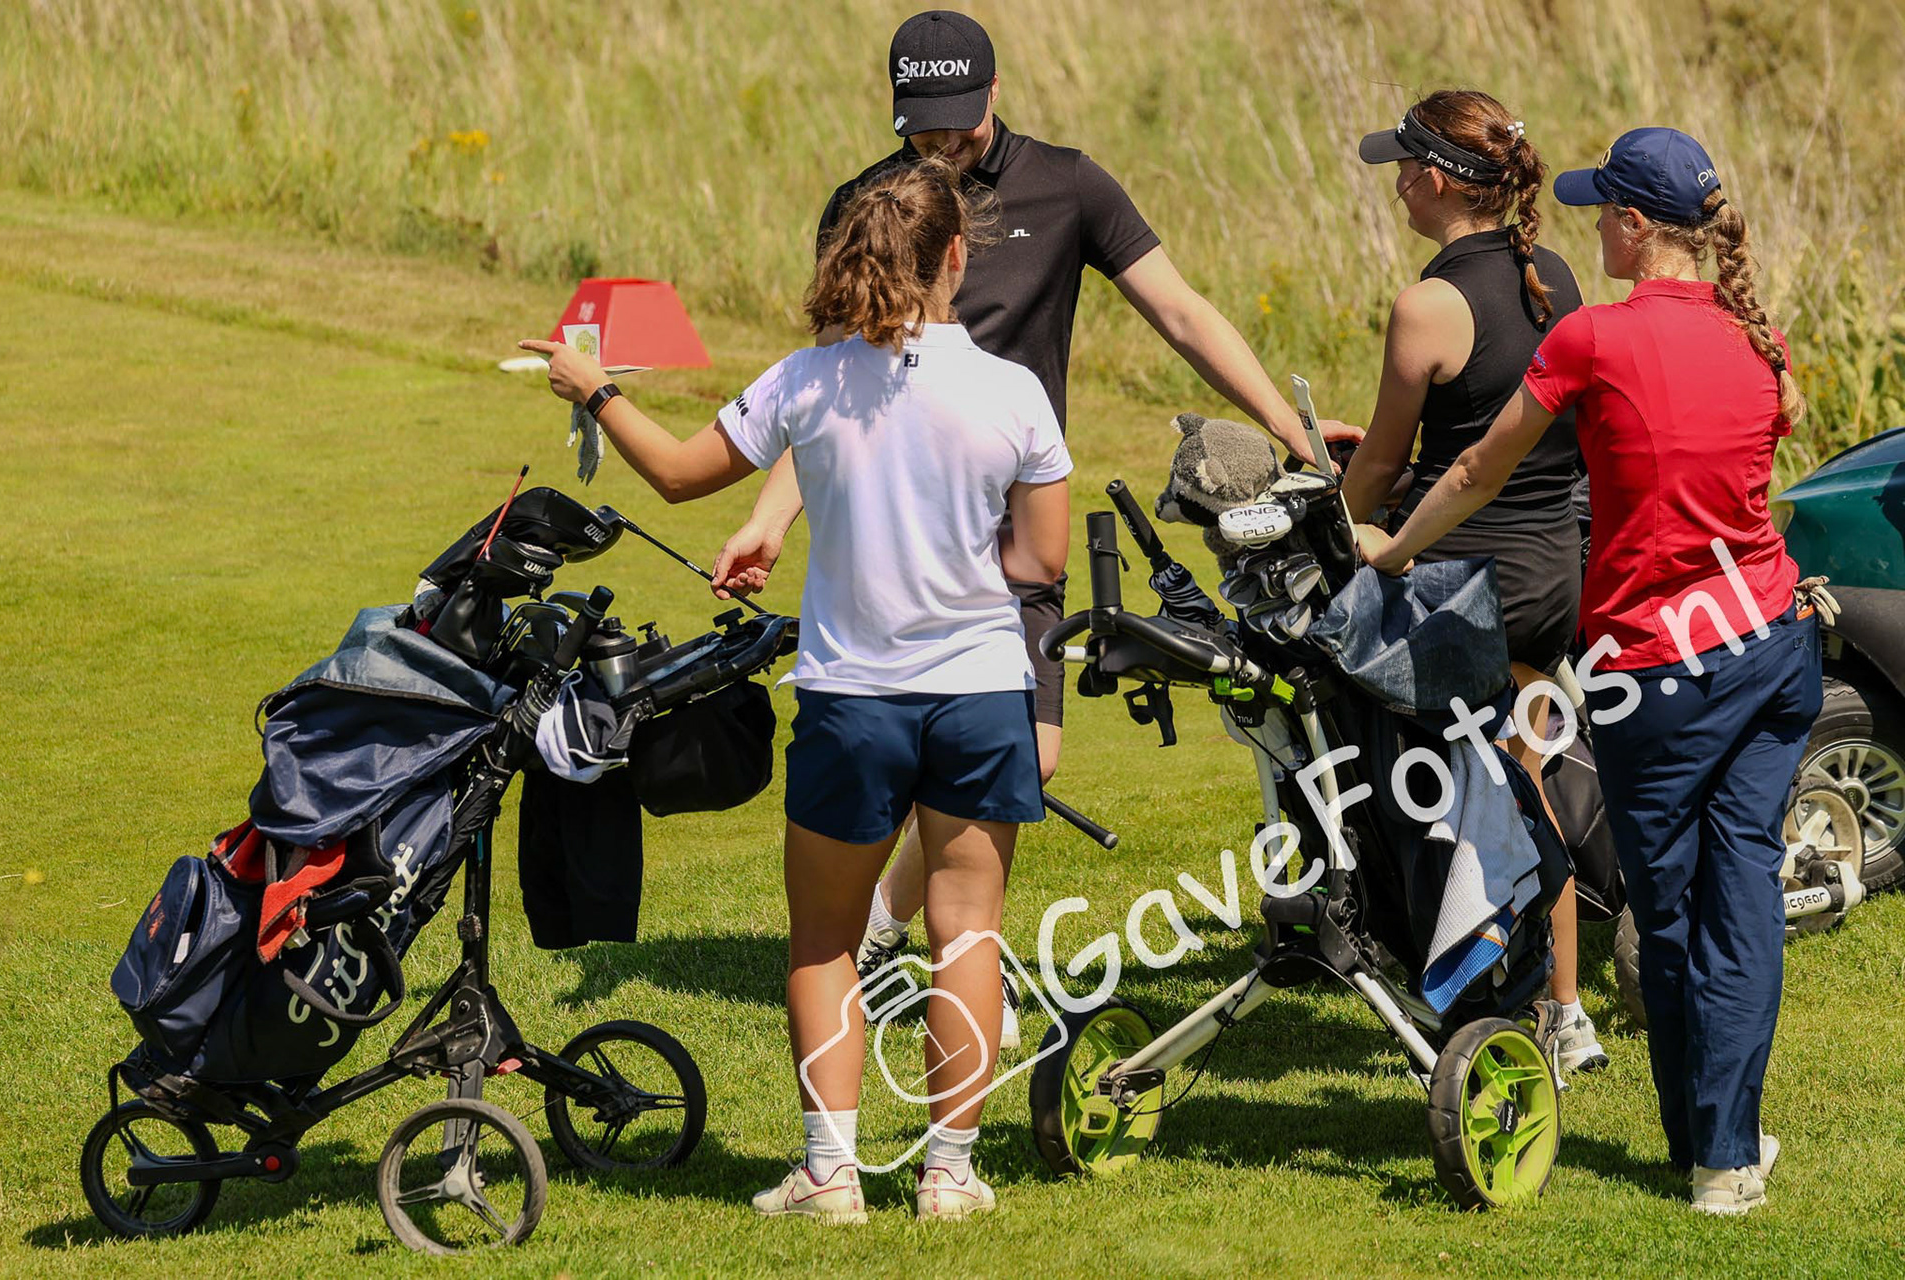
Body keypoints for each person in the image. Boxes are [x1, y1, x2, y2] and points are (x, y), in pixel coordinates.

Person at [711, 9, 1355, 1027]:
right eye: (922, 124)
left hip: (1016, 519)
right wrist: (770, 515)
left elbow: (1181, 310)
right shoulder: (866, 204)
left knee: (1031, 756)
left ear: (995, 92)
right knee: (964, 749)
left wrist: (1292, 429)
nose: (941, 143)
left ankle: (888, 927)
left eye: (958, 120)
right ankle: (944, 951)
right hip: (900, 527)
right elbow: (830, 387)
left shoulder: (1068, 186)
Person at [521, 158, 1070, 1222]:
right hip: (981, 695)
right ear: (957, 257)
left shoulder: (808, 381)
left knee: (825, 942)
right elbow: (1040, 560)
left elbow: (677, 472)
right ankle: (950, 1175)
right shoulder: (1014, 393)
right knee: (966, 936)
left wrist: (594, 388)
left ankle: (829, 1174)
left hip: (853, 703)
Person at [1358, 128, 1819, 1215]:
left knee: (1675, 909)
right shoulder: (1761, 340)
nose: (1592, 227)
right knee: (1742, 894)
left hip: (1658, 669)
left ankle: (1714, 1149)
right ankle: (1719, 1145)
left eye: (1602, 210)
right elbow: (1769, 438)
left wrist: (1393, 545)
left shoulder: (1594, 338)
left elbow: (1479, 466)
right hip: (1769, 641)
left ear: (1633, 225)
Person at [1345, 90, 1606, 1077]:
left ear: (1437, 180)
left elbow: (1383, 462)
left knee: (1438, 797)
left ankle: (1466, 996)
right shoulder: (1556, 274)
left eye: (1403, 169)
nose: (1396, 186)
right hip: (1552, 570)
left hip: (1465, 585)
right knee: (1526, 785)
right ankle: (1565, 1009)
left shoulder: (1428, 304)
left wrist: (1344, 521)